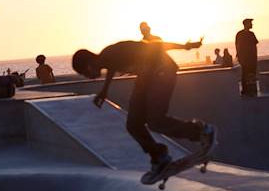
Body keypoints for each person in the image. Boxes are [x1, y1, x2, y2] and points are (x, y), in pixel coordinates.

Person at [71, 38, 215, 180]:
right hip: (145, 77)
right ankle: (159, 156)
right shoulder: (106, 59)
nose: (88, 77)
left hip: (162, 70)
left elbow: (156, 46)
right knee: (133, 124)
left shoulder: (114, 52)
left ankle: (201, 132)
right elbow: (112, 68)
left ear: (89, 65)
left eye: (85, 73)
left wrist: (185, 46)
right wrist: (105, 90)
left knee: (155, 121)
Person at [235, 18, 259, 96]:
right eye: (250, 23)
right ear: (246, 24)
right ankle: (246, 90)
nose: (252, 24)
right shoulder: (240, 34)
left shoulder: (251, 34)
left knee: (252, 74)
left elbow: (254, 45)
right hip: (245, 58)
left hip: (252, 58)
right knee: (245, 74)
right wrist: (239, 56)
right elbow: (238, 46)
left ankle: (252, 89)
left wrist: (255, 57)